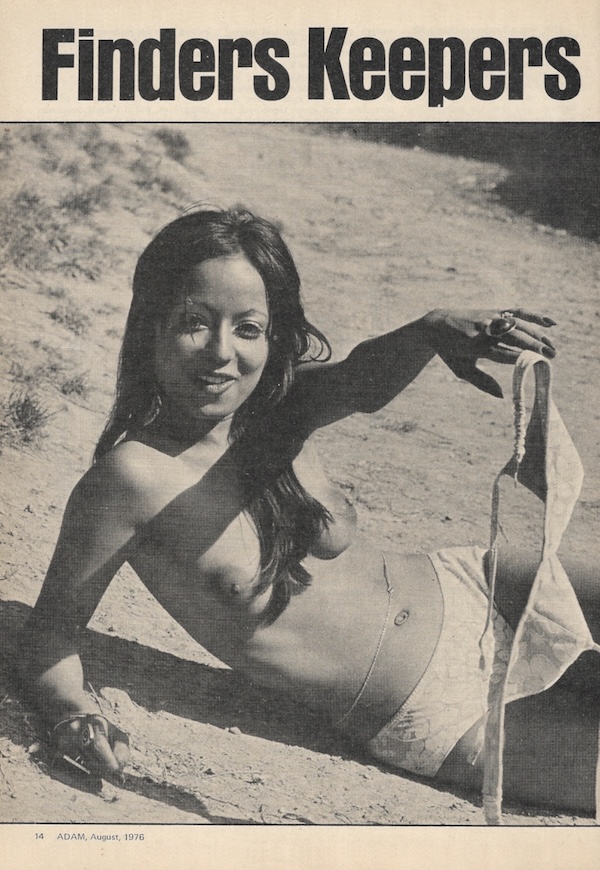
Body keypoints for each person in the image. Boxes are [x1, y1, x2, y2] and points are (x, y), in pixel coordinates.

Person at [18, 206, 599, 815]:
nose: (220, 353)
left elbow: (361, 381)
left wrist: (428, 331)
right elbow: (50, 636)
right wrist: (70, 715)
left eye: (248, 328)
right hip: (432, 711)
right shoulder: (129, 479)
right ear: (150, 328)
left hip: (481, 588)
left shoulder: (275, 410)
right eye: (194, 322)